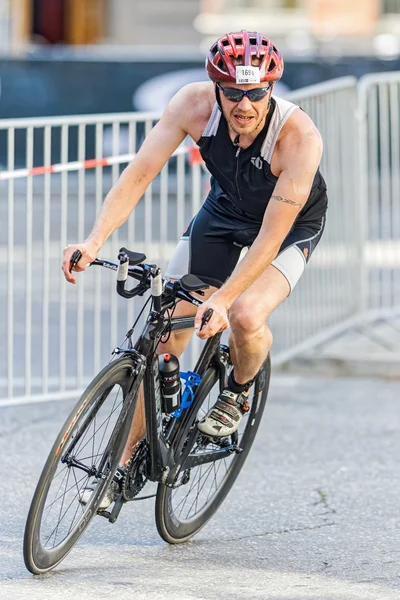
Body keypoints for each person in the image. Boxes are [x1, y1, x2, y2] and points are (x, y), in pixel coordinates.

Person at [62, 30, 328, 508]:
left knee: (246, 316)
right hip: (225, 212)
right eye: (232, 93)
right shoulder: (192, 105)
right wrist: (93, 239)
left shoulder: (299, 138)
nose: (244, 105)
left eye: (256, 93)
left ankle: (238, 391)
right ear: (215, 87)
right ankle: (124, 464)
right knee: (168, 331)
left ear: (271, 89)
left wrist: (223, 299)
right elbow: (139, 173)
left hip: (287, 227)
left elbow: (270, 237)